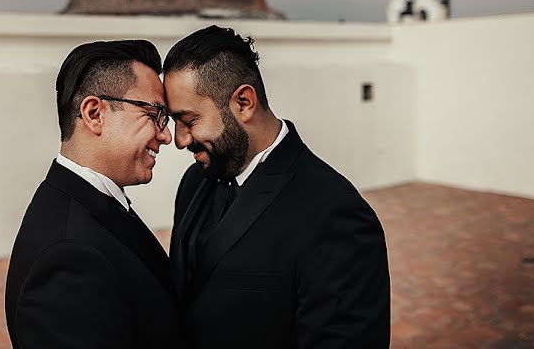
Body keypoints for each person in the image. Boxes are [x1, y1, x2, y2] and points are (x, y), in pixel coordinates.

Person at [164, 26, 390, 348]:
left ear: (244, 103)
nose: (180, 139)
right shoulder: (193, 182)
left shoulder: (336, 213)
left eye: (189, 121)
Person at [4, 39, 183, 348]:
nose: (166, 135)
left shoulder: (93, 201)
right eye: (155, 114)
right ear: (94, 113)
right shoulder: (66, 257)